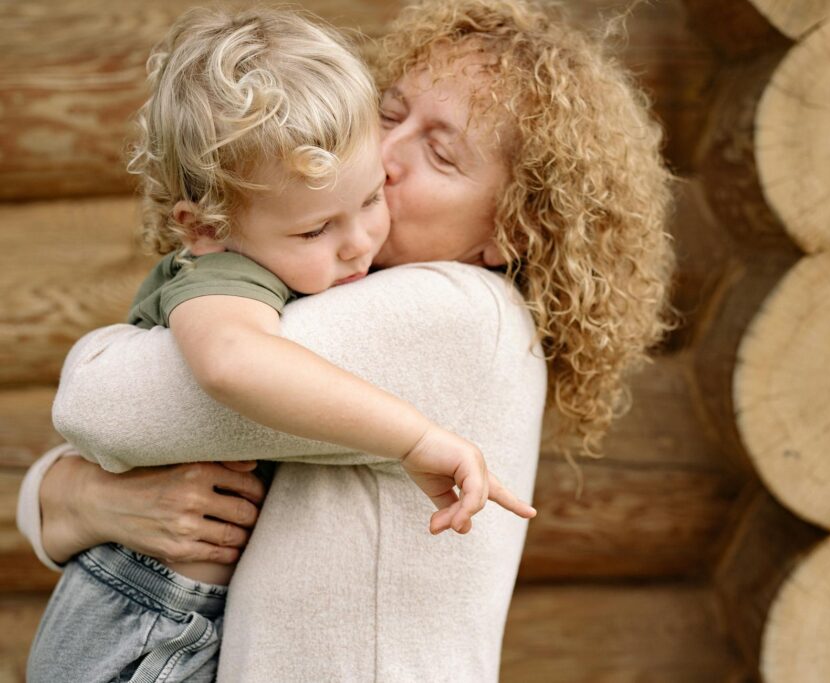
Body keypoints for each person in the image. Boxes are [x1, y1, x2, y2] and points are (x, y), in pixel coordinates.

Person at [19, 0, 676, 680]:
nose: (383, 158)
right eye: (389, 115)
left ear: (512, 226)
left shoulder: (457, 314)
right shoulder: (324, 284)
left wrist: (72, 492)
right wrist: (79, 499)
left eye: (439, 152)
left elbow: (106, 400)